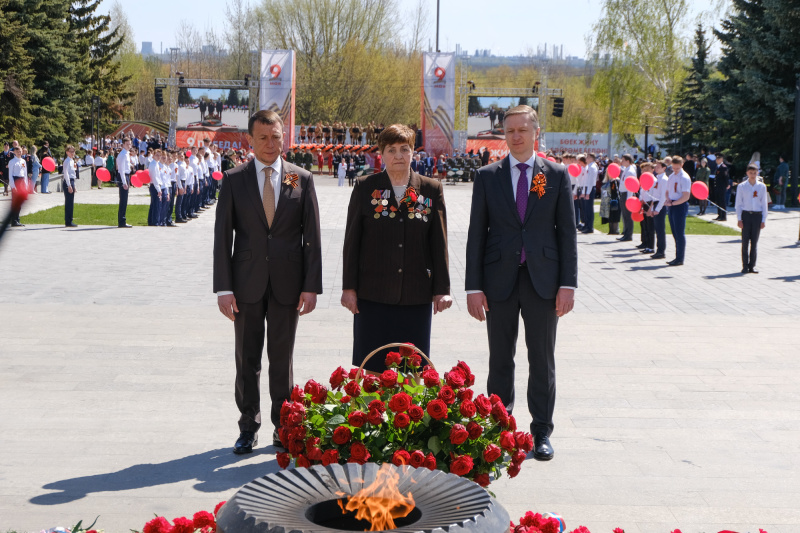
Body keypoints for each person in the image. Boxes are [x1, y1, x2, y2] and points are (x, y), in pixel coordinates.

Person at [465, 105, 578, 461]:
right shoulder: (488, 176)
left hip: (543, 282)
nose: (515, 136)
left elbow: (567, 234)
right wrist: (473, 287)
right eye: (510, 131)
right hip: (498, 281)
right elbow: (476, 235)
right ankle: (499, 429)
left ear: (535, 133)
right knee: (500, 358)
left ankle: (541, 430)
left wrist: (568, 284)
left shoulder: (556, 175)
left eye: (522, 130)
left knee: (541, 359)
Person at [214, 109, 323, 455]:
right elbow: (222, 237)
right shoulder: (235, 179)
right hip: (245, 284)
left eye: (276, 137)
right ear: (250, 139)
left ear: (283, 137)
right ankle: (248, 426)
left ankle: (283, 426)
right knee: (247, 358)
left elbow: (312, 238)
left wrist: (311, 285)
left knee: (281, 358)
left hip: (288, 285)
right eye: (262, 137)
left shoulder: (298, 179)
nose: (270, 144)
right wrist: (223, 287)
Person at [341, 123, 452, 374]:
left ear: (414, 152)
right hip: (372, 296)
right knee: (373, 369)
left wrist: (441, 290)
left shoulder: (431, 189)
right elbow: (352, 242)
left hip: (416, 295)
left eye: (405, 149)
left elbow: (439, 243)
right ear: (381, 154)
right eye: (391, 150)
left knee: (412, 371)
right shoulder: (365, 187)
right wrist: (349, 288)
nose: (398, 156)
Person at [736, 164, 768, 274]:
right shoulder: (742, 186)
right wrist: (739, 219)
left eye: (755, 173)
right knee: (745, 242)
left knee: (754, 242)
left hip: (757, 216)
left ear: (757, 173)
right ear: (747, 173)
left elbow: (764, 204)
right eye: (751, 173)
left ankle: (752, 266)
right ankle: (744, 265)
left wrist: (763, 219)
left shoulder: (762, 187)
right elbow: (738, 204)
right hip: (746, 215)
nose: (753, 175)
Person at [664, 156, 691, 266]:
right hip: (672, 204)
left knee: (679, 232)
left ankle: (680, 258)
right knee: (674, 232)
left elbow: (686, 196)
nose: (675, 170)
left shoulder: (684, 177)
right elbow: (667, 190)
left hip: (679, 205)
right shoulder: (671, 176)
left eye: (677, 168)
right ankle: (676, 256)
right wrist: (668, 199)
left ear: (681, 165)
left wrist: (673, 203)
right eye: (673, 168)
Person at [649, 160, 669, 259]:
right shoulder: (657, 178)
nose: (656, 168)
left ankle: (661, 251)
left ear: (664, 168)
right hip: (656, 203)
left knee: (660, 229)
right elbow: (654, 194)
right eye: (656, 166)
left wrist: (657, 209)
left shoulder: (664, 179)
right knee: (657, 229)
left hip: (660, 205)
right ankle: (658, 250)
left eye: (658, 166)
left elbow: (663, 197)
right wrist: (652, 207)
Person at [618, 154, 636, 242]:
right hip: (623, 193)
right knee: (624, 216)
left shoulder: (630, 171)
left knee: (628, 216)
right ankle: (625, 233)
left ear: (628, 161)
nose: (622, 161)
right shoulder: (626, 169)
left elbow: (631, 186)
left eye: (623, 160)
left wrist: (629, 199)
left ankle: (628, 235)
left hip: (627, 194)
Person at [8, 146, 28, 226]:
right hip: (16, 180)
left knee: (20, 202)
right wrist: (13, 186)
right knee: (15, 201)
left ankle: (17, 219)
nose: (19, 153)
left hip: (22, 181)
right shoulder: (12, 161)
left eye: (20, 151)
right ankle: (14, 220)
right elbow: (10, 175)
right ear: (15, 152)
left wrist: (26, 185)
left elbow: (25, 173)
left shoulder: (23, 161)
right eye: (17, 151)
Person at [117, 138, 133, 228]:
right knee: (123, 200)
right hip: (123, 176)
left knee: (125, 200)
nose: (129, 146)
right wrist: (124, 182)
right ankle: (122, 221)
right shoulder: (122, 154)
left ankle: (123, 219)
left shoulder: (127, 153)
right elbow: (121, 170)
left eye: (130, 144)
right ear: (123, 144)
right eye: (127, 144)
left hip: (126, 176)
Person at [63, 146, 78, 227]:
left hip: (72, 180)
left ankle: (70, 219)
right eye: (71, 151)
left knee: (71, 202)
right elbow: (66, 174)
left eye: (73, 151)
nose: (72, 153)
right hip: (67, 181)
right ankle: (68, 221)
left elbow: (73, 174)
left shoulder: (72, 161)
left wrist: (74, 185)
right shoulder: (67, 161)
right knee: (68, 202)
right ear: (67, 152)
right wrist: (69, 185)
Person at [713, 154, 730, 221]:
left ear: (721, 159)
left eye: (718, 159)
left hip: (722, 186)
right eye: (716, 159)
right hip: (717, 186)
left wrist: (727, 184)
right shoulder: (718, 167)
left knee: (722, 201)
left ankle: (723, 216)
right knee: (718, 201)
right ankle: (719, 215)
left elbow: (726, 177)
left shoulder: (723, 167)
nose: (717, 160)